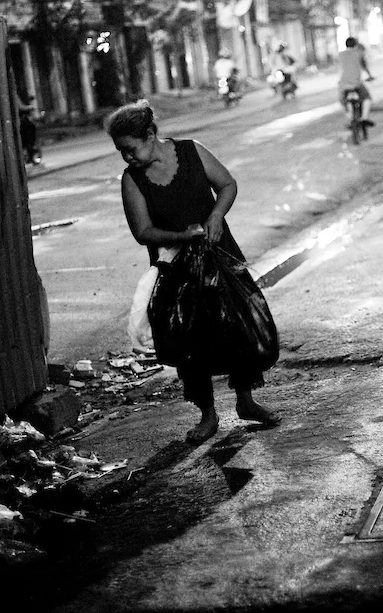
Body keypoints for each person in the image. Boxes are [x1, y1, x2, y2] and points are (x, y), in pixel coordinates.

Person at [105, 100, 279, 443]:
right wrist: (183, 236)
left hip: (221, 256)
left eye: (131, 149)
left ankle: (246, 401)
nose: (127, 157)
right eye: (121, 152)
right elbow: (143, 232)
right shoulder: (132, 180)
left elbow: (227, 184)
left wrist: (215, 217)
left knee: (239, 327)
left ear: (151, 134)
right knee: (191, 341)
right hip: (177, 271)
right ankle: (208, 416)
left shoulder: (192, 151)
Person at [337, 36, 375, 126]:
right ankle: (364, 117)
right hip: (356, 83)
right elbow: (364, 66)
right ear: (355, 45)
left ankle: (349, 117)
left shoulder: (340, 55)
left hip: (343, 84)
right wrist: (370, 76)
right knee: (367, 98)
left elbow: (340, 69)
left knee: (343, 101)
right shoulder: (359, 53)